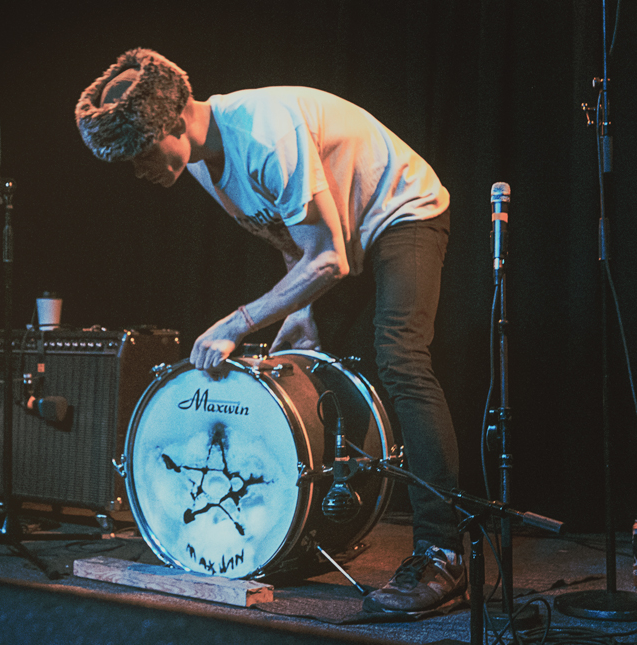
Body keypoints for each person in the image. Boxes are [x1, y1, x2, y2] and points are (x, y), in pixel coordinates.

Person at [75, 48, 464, 615]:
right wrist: (300, 312)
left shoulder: (261, 133)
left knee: (401, 358)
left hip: (402, 209)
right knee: (304, 365)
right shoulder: (205, 166)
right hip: (341, 236)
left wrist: (238, 321)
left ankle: (443, 553)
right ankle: (310, 529)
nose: (138, 170)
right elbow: (292, 238)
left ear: (177, 120)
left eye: (140, 152)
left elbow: (329, 259)